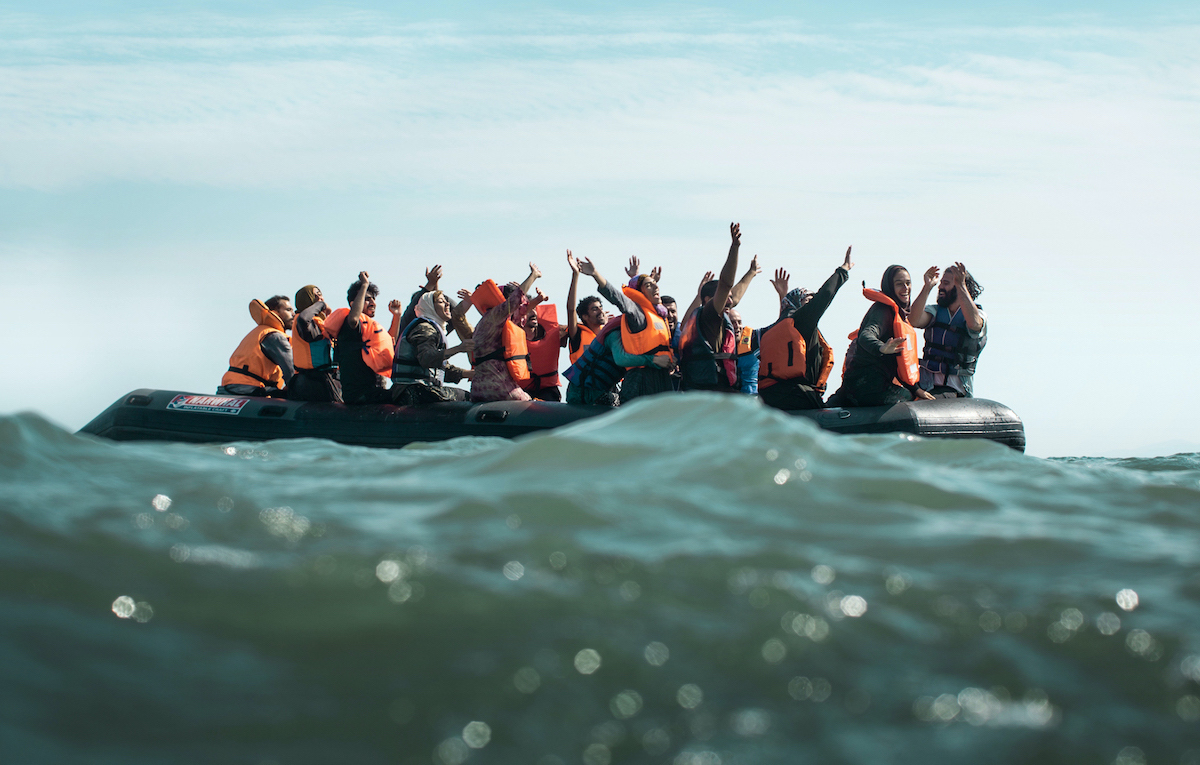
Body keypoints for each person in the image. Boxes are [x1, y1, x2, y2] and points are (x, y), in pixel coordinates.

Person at [758, 248, 854, 410]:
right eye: (809, 299)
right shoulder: (801, 321)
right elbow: (825, 294)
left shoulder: (784, 326)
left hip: (770, 398)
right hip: (796, 396)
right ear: (798, 304)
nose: (813, 303)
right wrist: (843, 271)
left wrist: (783, 296)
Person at [829, 265, 935, 407]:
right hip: (865, 386)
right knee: (907, 399)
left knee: (912, 395)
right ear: (889, 286)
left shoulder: (898, 314)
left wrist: (917, 390)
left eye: (908, 283)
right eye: (899, 284)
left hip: (863, 384)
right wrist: (882, 348)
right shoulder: (883, 310)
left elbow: (900, 364)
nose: (905, 288)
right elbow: (866, 335)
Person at [573, 257, 675, 403]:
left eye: (655, 284)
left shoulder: (658, 317)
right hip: (638, 382)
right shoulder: (636, 314)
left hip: (660, 378)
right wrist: (595, 274)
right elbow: (618, 298)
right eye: (649, 285)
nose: (656, 287)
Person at [678, 223, 761, 392]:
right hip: (709, 393)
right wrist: (735, 247)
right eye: (726, 298)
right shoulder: (708, 315)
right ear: (709, 299)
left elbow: (734, 295)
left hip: (707, 390)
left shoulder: (716, 314)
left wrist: (751, 273)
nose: (731, 301)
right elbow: (725, 284)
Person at [911, 262, 986, 398]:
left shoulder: (977, 315)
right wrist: (927, 288)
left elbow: (975, 325)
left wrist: (961, 286)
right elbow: (914, 320)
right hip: (927, 385)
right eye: (941, 283)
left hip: (957, 389)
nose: (940, 287)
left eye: (946, 283)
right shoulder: (934, 312)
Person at [469, 264, 541, 402]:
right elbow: (514, 301)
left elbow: (519, 311)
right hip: (498, 389)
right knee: (533, 405)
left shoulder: (490, 322)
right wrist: (533, 276)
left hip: (480, 388)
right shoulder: (495, 316)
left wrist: (538, 299)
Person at [391, 289, 475, 405]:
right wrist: (458, 349)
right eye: (441, 302)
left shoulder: (434, 328)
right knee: (468, 398)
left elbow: (438, 367)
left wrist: (469, 373)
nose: (447, 304)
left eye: (446, 301)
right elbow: (427, 358)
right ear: (430, 307)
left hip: (419, 390)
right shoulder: (425, 328)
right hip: (411, 391)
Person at [324, 272, 396, 404]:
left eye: (373, 299)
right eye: (367, 299)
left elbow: (390, 343)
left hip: (373, 391)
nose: (373, 302)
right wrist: (364, 285)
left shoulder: (369, 329)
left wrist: (396, 316)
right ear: (354, 303)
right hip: (359, 394)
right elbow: (353, 320)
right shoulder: (348, 325)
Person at [218, 295, 296, 397]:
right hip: (247, 388)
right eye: (288, 310)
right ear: (275, 313)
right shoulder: (275, 337)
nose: (293, 314)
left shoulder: (260, 332)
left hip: (231, 386)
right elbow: (291, 374)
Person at [288, 285, 342, 403]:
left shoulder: (317, 323)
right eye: (316, 294)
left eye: (320, 293)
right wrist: (321, 304)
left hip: (311, 380)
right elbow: (304, 319)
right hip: (315, 382)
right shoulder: (302, 322)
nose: (319, 296)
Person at [520, 290, 567, 401]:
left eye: (535, 309)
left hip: (548, 390)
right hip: (521, 390)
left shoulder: (556, 331)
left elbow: (575, 326)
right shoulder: (508, 336)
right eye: (528, 310)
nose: (533, 313)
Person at [565, 250, 609, 364]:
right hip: (584, 381)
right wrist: (575, 275)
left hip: (607, 382)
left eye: (600, 307)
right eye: (594, 309)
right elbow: (571, 310)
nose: (600, 311)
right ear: (585, 316)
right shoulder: (577, 334)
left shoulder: (608, 334)